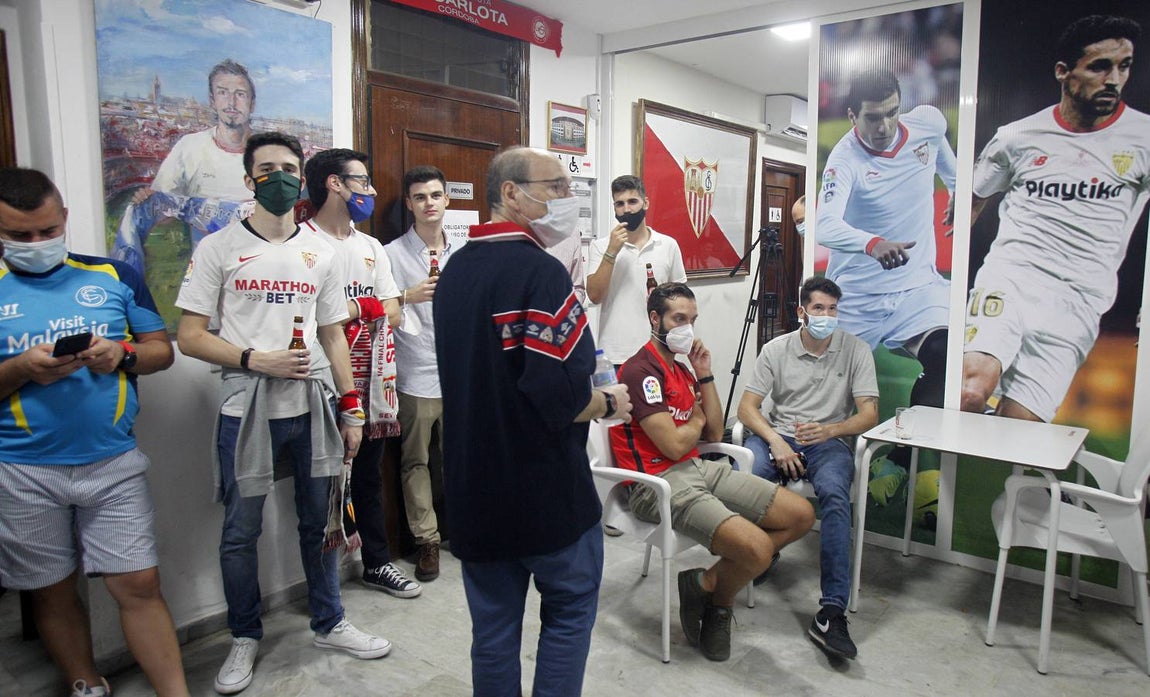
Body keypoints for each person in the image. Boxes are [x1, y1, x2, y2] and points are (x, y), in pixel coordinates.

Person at [175, 132, 389, 695]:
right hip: (246, 409)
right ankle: (244, 635)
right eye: (267, 169)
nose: (280, 178)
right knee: (240, 532)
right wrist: (253, 358)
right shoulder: (219, 248)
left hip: (313, 406)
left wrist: (352, 408)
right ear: (249, 180)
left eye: (289, 168)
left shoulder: (319, 252)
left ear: (304, 178)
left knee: (321, 523)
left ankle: (330, 619)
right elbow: (189, 337)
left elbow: (333, 334)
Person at [434, 146, 633, 696]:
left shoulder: (455, 271)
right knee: (569, 616)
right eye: (557, 188)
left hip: (475, 490)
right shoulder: (540, 276)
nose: (568, 200)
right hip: (544, 493)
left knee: (493, 633)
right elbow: (563, 401)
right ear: (512, 193)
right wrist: (610, 402)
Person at [0, 168, 189, 697]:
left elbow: (160, 352)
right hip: (21, 468)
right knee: (51, 591)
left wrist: (122, 355)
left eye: (45, 231)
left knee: (138, 583)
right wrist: (21, 369)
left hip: (111, 462)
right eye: (19, 236)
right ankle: (87, 684)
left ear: (63, 218)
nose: (36, 244)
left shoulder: (113, 275)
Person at [612, 281, 815, 662]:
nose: (687, 327)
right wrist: (695, 422)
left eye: (692, 319)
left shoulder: (683, 369)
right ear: (655, 319)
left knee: (801, 515)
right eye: (678, 318)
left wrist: (704, 374)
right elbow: (673, 444)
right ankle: (721, 605)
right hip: (657, 485)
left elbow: (713, 428)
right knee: (756, 551)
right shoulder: (641, 372)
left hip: (695, 467)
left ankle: (704, 585)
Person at [962, 14, 1150, 422]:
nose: (1114, 79)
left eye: (1124, 66)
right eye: (1100, 66)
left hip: (1079, 300)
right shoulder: (1017, 136)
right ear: (1064, 73)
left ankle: (973, 480)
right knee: (971, 388)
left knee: (1019, 429)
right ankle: (913, 462)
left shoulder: (1144, 138)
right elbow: (971, 200)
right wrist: (949, 271)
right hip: (1011, 277)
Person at [737, 276, 879, 661]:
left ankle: (832, 610)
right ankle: (756, 555)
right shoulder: (776, 349)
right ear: (802, 311)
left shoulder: (856, 350)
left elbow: (869, 413)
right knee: (749, 483)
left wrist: (831, 429)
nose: (827, 317)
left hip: (828, 442)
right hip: (778, 435)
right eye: (819, 309)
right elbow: (747, 408)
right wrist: (776, 441)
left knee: (835, 496)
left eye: (833, 309)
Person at [302, 149, 421, 599]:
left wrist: (351, 309)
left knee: (368, 477)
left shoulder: (369, 247)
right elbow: (312, 319)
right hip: (321, 383)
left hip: (373, 384)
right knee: (320, 487)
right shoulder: (304, 243)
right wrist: (360, 308)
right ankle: (323, 590)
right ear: (335, 184)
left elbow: (390, 311)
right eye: (363, 182)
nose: (370, 192)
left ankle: (376, 563)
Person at [817, 68, 956, 409]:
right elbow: (824, 225)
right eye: (873, 118)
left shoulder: (929, 124)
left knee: (947, 356)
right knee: (827, 401)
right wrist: (873, 244)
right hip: (857, 298)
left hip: (916, 289)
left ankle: (898, 457)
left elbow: (952, 173)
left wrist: (958, 196)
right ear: (853, 116)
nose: (884, 127)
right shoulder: (844, 158)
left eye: (892, 112)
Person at [113, 59, 258, 274]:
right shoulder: (190, 147)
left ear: (252, 103)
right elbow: (164, 206)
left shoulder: (270, 152)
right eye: (223, 92)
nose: (231, 103)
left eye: (240, 94)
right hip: (207, 271)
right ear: (212, 100)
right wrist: (149, 201)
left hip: (262, 268)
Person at [385, 165, 452, 583]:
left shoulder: (461, 253)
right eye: (420, 196)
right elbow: (378, 311)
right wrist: (408, 295)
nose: (429, 203)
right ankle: (426, 540)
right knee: (415, 462)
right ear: (409, 203)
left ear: (447, 200)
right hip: (413, 373)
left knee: (458, 460)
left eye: (435, 195)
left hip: (456, 376)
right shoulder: (390, 253)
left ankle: (460, 529)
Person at [587, 174, 687, 367]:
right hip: (614, 354)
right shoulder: (600, 246)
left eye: (632, 201)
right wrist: (612, 251)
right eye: (620, 204)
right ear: (614, 208)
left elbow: (681, 302)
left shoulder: (668, 245)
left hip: (658, 351)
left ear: (645, 203)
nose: (627, 209)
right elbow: (594, 296)